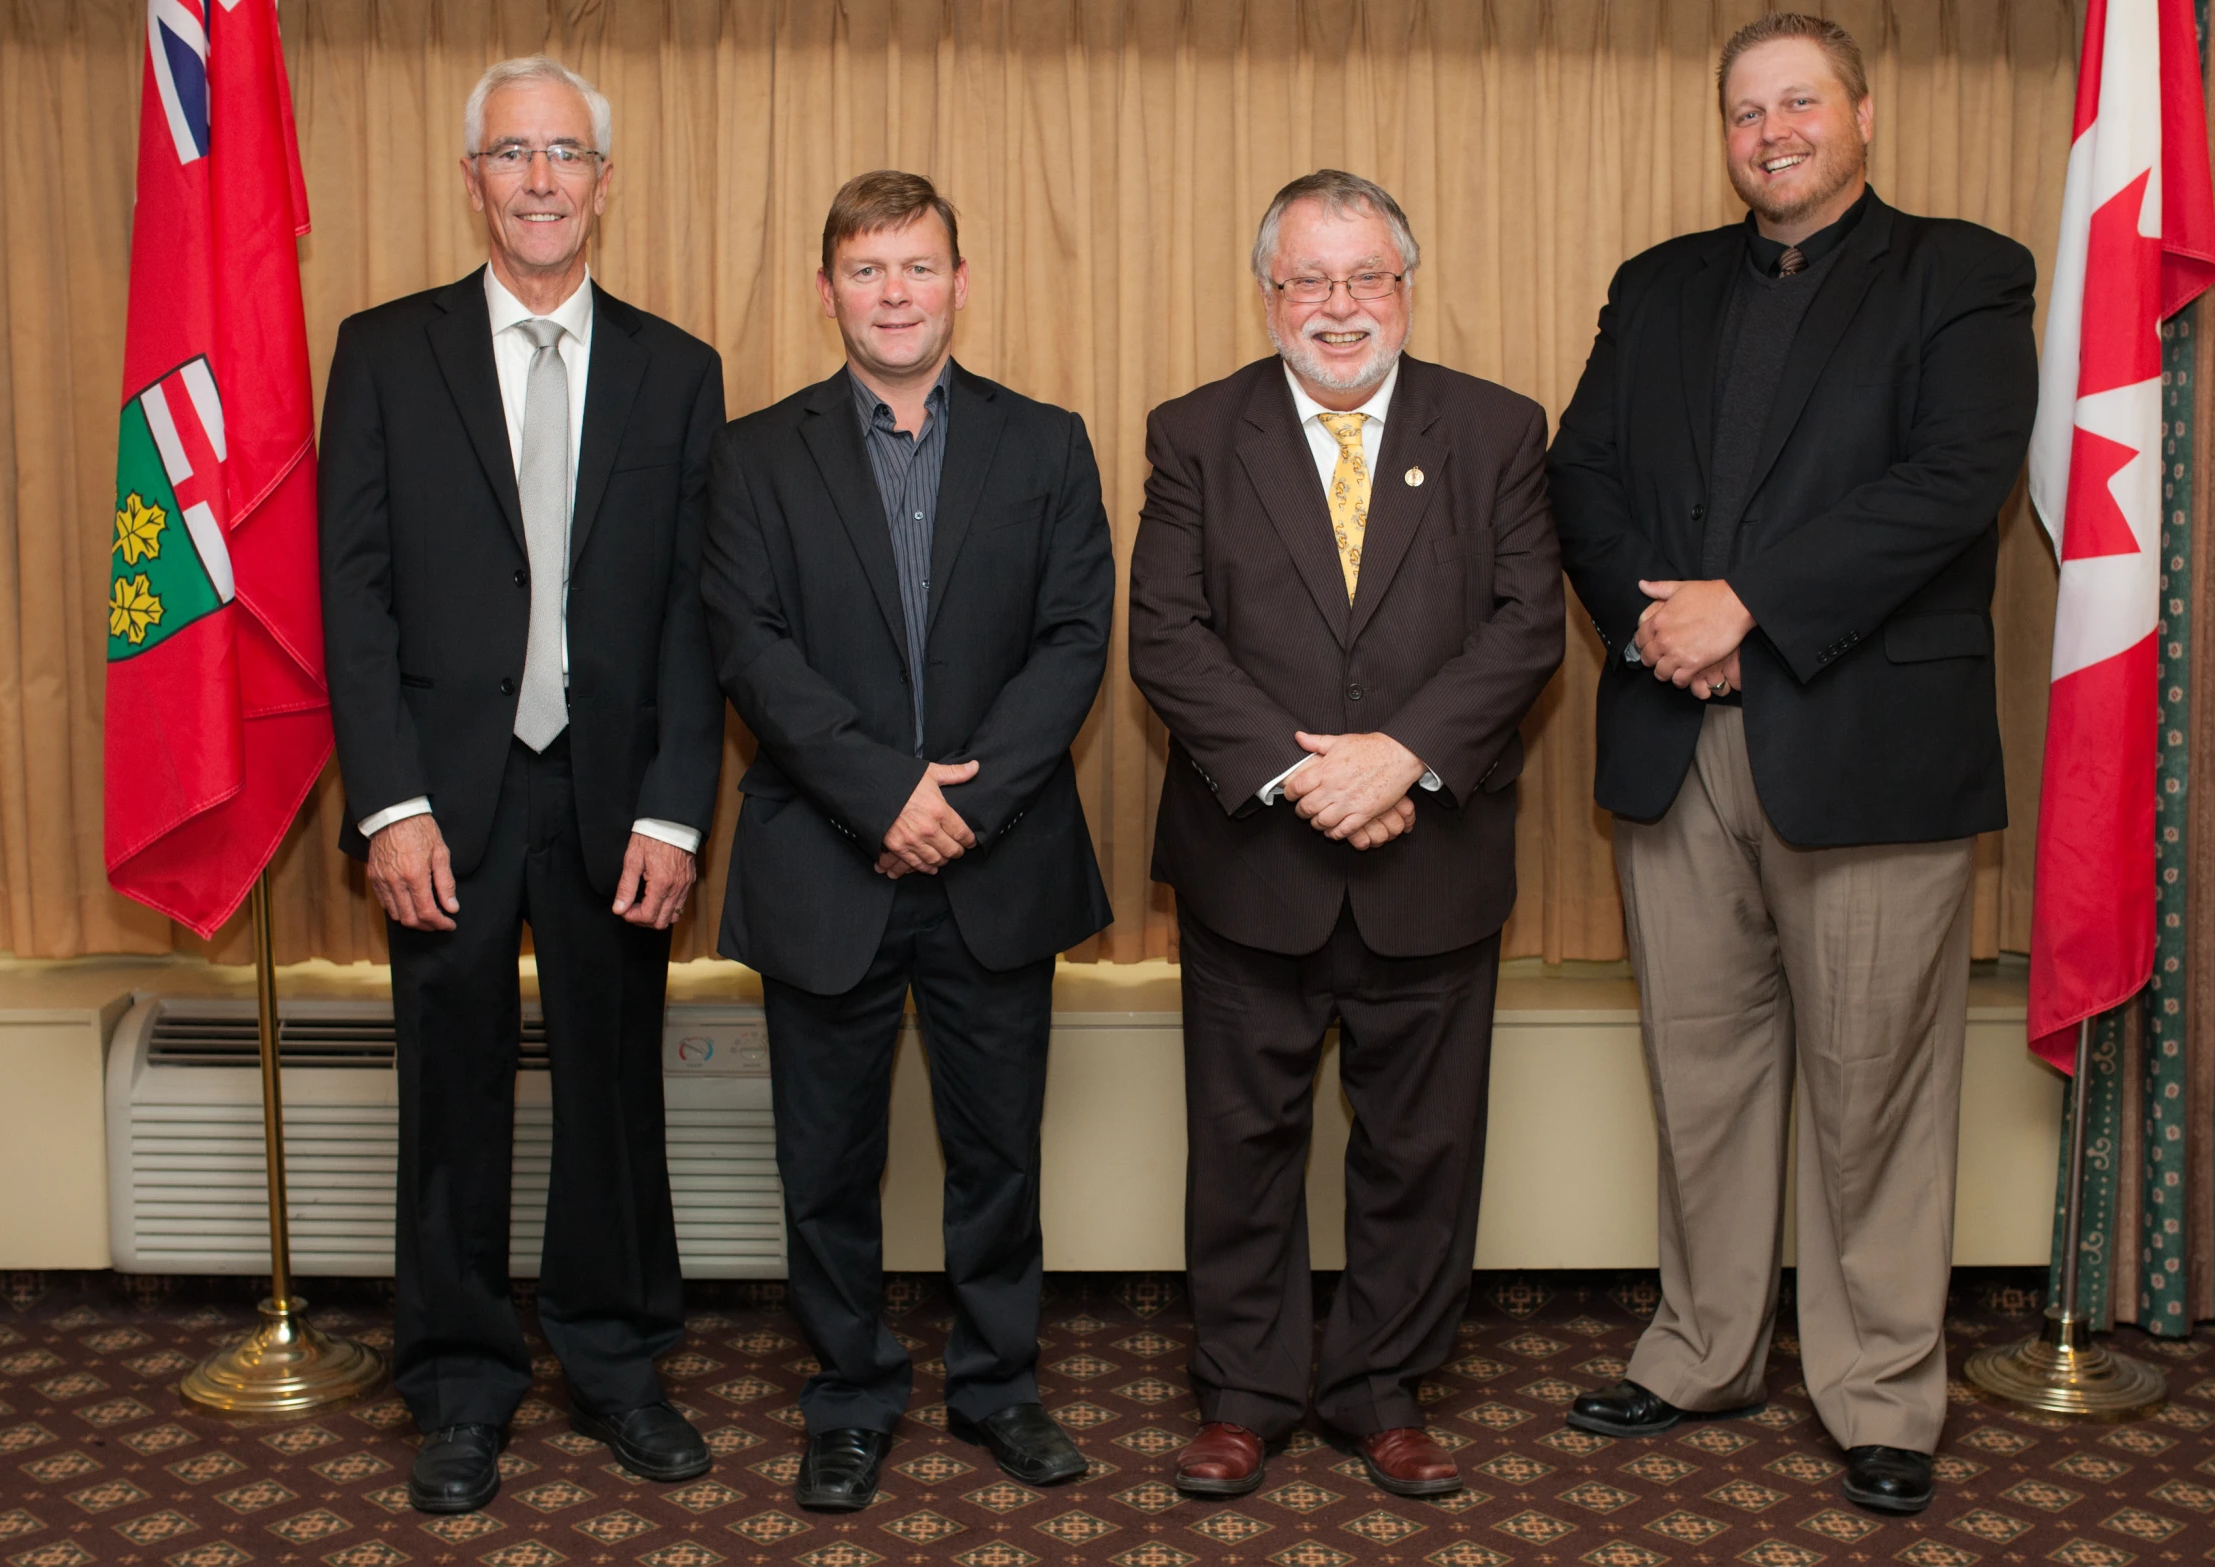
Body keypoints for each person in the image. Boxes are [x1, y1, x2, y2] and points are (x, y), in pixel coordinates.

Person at [1546, 13, 2038, 1517]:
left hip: (1865, 744)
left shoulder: (1962, 273)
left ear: (1861, 116)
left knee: (1872, 1081)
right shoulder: (1658, 284)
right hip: (1674, 736)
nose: (1771, 131)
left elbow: (1953, 485)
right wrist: (1658, 621)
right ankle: (1700, 1349)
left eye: (1799, 103)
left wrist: (1746, 608)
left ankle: (1881, 1388)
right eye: (1745, 110)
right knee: (1698, 1076)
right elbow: (1584, 473)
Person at [319, 57, 726, 1513]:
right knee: (451, 1090)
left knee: (617, 1091)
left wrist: (679, 808)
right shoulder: (383, 349)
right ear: (472, 179)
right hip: (444, 797)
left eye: (567, 154)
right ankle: (459, 1381)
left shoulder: (680, 371)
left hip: (618, 799)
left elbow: (697, 609)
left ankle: (617, 1361)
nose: (542, 179)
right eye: (513, 154)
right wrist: (389, 802)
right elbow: (349, 599)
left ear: (604, 184)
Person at [1129, 169, 1568, 1500]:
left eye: (1363, 276)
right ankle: (1247, 1391)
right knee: (1241, 1138)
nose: (1337, 306)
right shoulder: (1196, 432)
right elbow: (1165, 631)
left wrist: (1399, 758)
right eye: (1307, 279)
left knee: (1420, 1146)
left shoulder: (1494, 429)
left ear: (1404, 288)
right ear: (1267, 294)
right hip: (1252, 857)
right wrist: (1292, 773)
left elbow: (1524, 623)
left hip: (1427, 855)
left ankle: (1383, 1386)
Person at [702, 171, 1116, 1513]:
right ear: (826, 289)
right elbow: (748, 648)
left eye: (919, 267)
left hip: (996, 865)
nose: (895, 292)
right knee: (824, 1165)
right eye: (868, 269)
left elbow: (1071, 641)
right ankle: (850, 1393)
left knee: (998, 1152)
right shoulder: (754, 455)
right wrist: (884, 797)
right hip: (827, 864)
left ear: (959, 280)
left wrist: (961, 803)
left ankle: (1000, 1387)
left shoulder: (1045, 444)